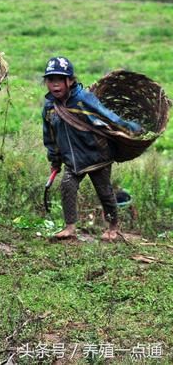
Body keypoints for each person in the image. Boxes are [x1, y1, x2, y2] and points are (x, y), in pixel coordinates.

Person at [41, 56, 142, 242]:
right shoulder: (49, 107)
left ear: (70, 81)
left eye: (59, 80)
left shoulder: (83, 99)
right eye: (50, 80)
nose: (55, 85)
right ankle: (70, 227)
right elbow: (50, 136)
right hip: (73, 159)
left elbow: (108, 116)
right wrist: (55, 159)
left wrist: (130, 128)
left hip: (97, 155)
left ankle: (113, 228)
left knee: (104, 191)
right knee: (67, 186)